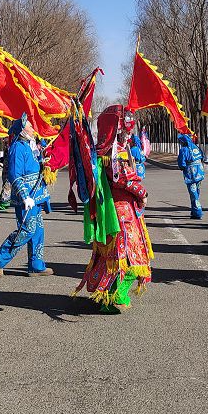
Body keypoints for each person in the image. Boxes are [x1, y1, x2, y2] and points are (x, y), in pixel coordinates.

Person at [74, 105, 152, 313]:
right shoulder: (114, 152)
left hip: (112, 212)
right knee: (128, 257)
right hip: (121, 213)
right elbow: (122, 179)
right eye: (125, 130)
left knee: (112, 257)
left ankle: (106, 297)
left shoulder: (103, 151)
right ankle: (115, 296)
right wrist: (142, 193)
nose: (128, 134)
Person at [0, 113, 53, 277]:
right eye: (30, 126)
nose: (33, 129)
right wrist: (25, 196)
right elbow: (15, 175)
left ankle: (36, 265)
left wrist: (43, 163)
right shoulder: (17, 147)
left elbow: (34, 166)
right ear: (23, 130)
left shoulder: (30, 146)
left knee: (38, 231)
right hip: (26, 198)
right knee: (27, 230)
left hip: (36, 196)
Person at [177, 133, 205, 219]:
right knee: (196, 191)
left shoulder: (183, 150)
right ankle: (194, 210)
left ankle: (198, 212)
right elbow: (202, 157)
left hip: (191, 174)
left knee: (193, 193)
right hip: (200, 172)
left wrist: (182, 167)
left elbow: (182, 163)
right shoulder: (196, 147)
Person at [0, 140, 11, 211]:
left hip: (10, 171)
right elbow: (5, 158)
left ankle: (4, 202)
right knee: (6, 185)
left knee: (6, 187)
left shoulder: (13, 148)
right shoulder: (7, 148)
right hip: (5, 170)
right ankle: (8, 201)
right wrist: (0, 159)